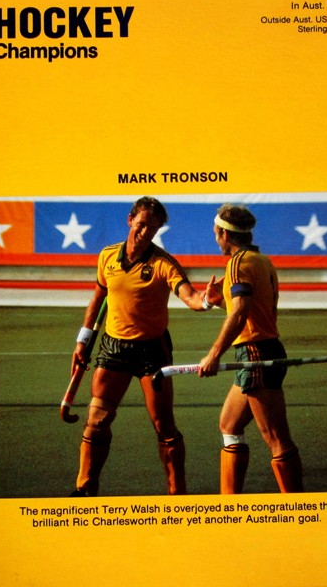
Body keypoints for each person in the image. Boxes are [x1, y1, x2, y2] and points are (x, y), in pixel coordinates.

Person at [70, 196, 220, 497]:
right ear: (130, 220)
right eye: (141, 224)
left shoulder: (164, 264)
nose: (145, 232)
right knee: (96, 420)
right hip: (113, 348)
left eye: (152, 228)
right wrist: (83, 340)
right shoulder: (107, 256)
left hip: (152, 351)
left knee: (163, 425)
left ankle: (177, 494)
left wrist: (206, 301)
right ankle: (85, 490)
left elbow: (190, 297)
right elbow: (98, 298)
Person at [199, 203, 303, 494]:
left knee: (276, 438)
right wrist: (219, 300)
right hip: (262, 349)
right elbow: (249, 308)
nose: (216, 239)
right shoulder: (260, 260)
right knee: (229, 425)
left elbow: (241, 312)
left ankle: (298, 508)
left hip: (256, 353)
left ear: (224, 234)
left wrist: (213, 354)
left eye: (216, 233)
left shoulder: (237, 263)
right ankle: (230, 504)